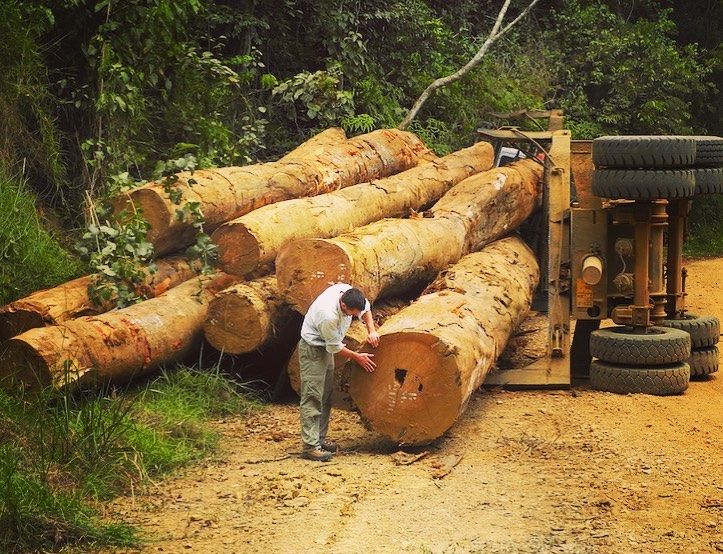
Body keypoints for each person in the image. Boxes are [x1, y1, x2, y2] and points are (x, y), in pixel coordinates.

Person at [298, 283, 379, 461]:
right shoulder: (328, 315)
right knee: (313, 395)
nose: (355, 317)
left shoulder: (349, 293)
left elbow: (365, 309)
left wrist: (371, 331)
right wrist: (357, 357)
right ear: (344, 306)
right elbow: (335, 347)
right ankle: (310, 446)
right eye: (352, 314)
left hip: (326, 349)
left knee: (326, 394)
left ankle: (319, 439)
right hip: (313, 349)